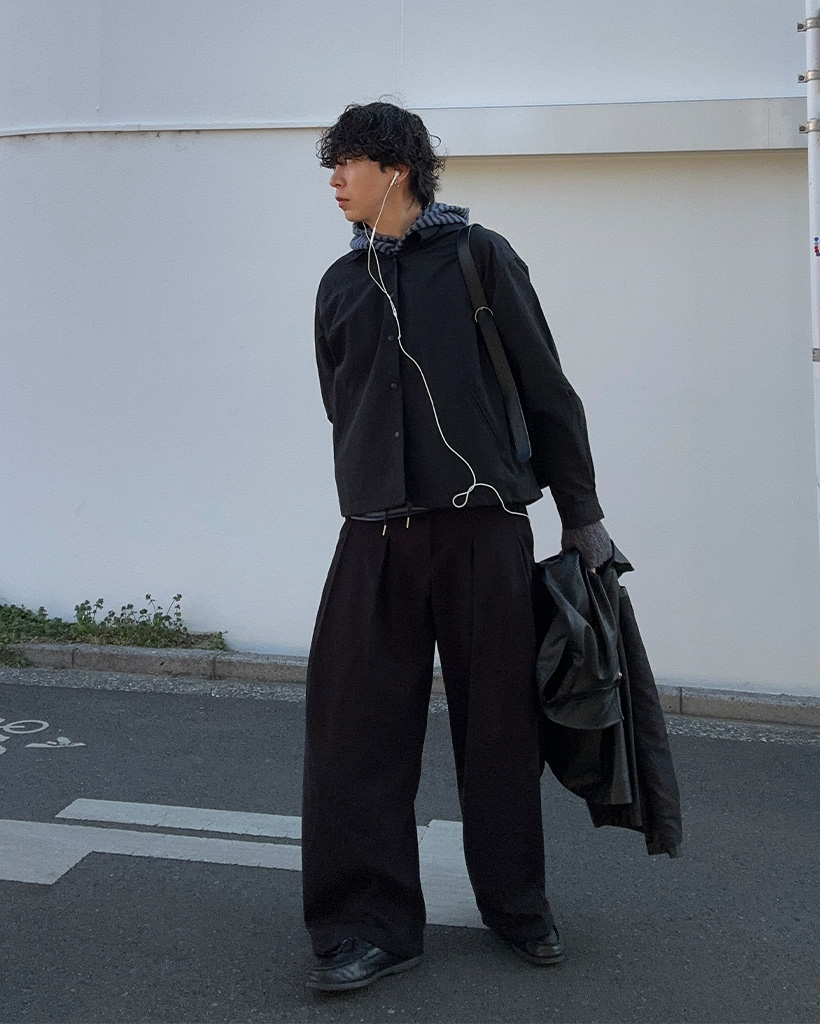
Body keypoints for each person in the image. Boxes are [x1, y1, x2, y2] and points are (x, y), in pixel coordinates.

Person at [302, 101, 612, 993]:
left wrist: (582, 516)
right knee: (355, 736)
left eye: (349, 163)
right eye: (332, 166)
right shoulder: (339, 284)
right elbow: (339, 400)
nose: (335, 181)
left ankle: (517, 905)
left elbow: (547, 387)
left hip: (484, 532)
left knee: (500, 733)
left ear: (396, 167)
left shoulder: (481, 258)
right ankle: (368, 926)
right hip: (375, 539)